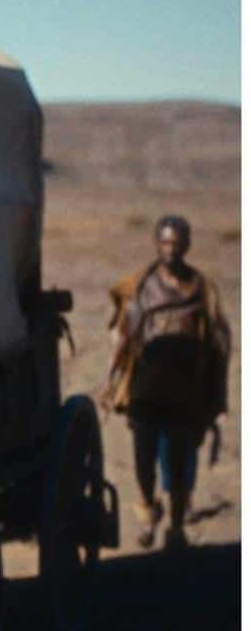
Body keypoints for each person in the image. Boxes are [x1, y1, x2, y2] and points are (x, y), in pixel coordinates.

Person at [103, 214, 230, 550]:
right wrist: (110, 383)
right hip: (145, 393)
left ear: (186, 245)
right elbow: (122, 339)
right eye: (165, 243)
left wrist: (219, 399)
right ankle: (147, 514)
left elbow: (219, 345)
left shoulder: (202, 289)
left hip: (186, 394)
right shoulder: (141, 288)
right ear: (157, 244)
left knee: (177, 462)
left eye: (177, 243)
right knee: (144, 464)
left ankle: (175, 528)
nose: (171, 250)